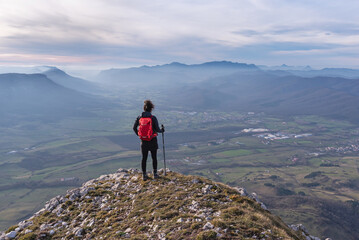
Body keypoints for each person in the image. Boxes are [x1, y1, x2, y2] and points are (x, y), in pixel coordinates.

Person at [133, 100, 164, 180]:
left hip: (143, 141)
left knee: (144, 158)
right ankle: (155, 174)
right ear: (151, 108)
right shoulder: (153, 118)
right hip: (153, 140)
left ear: (144, 108)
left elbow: (134, 128)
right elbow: (157, 130)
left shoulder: (140, 117)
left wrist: (140, 135)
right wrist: (162, 130)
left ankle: (144, 175)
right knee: (154, 158)